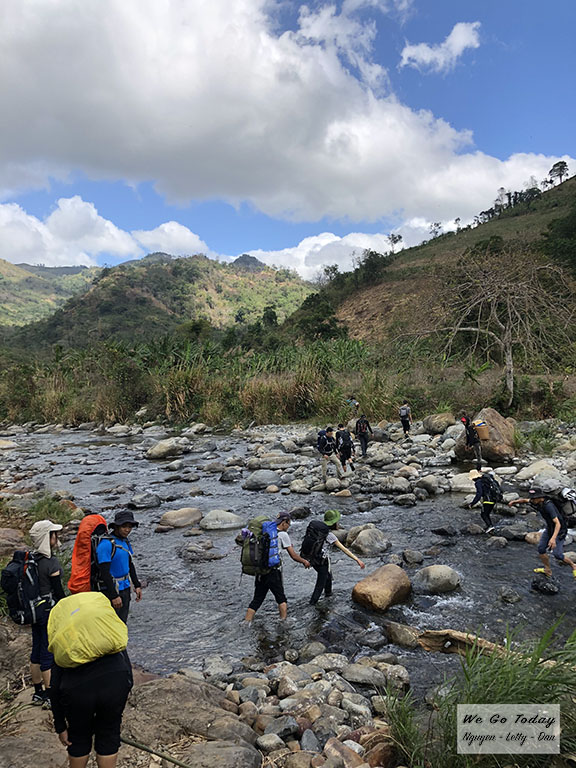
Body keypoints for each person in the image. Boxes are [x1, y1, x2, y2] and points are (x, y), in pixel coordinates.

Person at [50, 594, 133, 768]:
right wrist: (125, 689)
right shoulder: (106, 630)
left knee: (78, 737)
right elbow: (125, 662)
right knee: (109, 734)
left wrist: (60, 725)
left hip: (77, 688)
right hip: (115, 679)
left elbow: (55, 685)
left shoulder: (64, 637)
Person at [243, 512, 310, 624]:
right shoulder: (283, 535)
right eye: (288, 524)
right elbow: (293, 555)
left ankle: (246, 623)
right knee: (281, 598)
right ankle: (283, 622)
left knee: (257, 599)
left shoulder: (264, 533)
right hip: (273, 572)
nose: (288, 526)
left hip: (261, 570)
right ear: (284, 523)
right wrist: (304, 561)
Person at [28, 519, 66, 706]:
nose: (57, 537)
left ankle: (38, 692)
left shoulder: (31, 559)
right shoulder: (51, 563)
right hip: (48, 612)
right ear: (47, 537)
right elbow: (58, 591)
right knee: (47, 653)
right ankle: (51, 696)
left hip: (33, 611)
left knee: (36, 650)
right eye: (54, 534)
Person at [509, 487, 576, 579]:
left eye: (534, 498)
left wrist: (553, 539)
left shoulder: (549, 506)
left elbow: (558, 524)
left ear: (540, 497)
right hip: (549, 528)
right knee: (541, 549)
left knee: (558, 554)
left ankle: (573, 565)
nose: (532, 500)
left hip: (560, 530)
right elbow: (525, 500)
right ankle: (547, 569)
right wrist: (514, 502)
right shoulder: (536, 502)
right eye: (532, 498)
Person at [307, 510, 365, 605]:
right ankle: (312, 604)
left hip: (314, 559)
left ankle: (328, 595)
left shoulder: (317, 531)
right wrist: (357, 559)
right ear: (334, 523)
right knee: (320, 584)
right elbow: (344, 549)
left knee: (328, 577)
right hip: (322, 562)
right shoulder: (329, 535)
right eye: (337, 522)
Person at [96, 510, 142, 623]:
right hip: (111, 590)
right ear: (116, 526)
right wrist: (114, 596)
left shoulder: (125, 541)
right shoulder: (106, 545)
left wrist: (137, 585)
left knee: (122, 622)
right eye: (124, 526)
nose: (127, 530)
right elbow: (104, 573)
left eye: (130, 527)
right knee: (112, 624)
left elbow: (130, 564)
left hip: (125, 588)